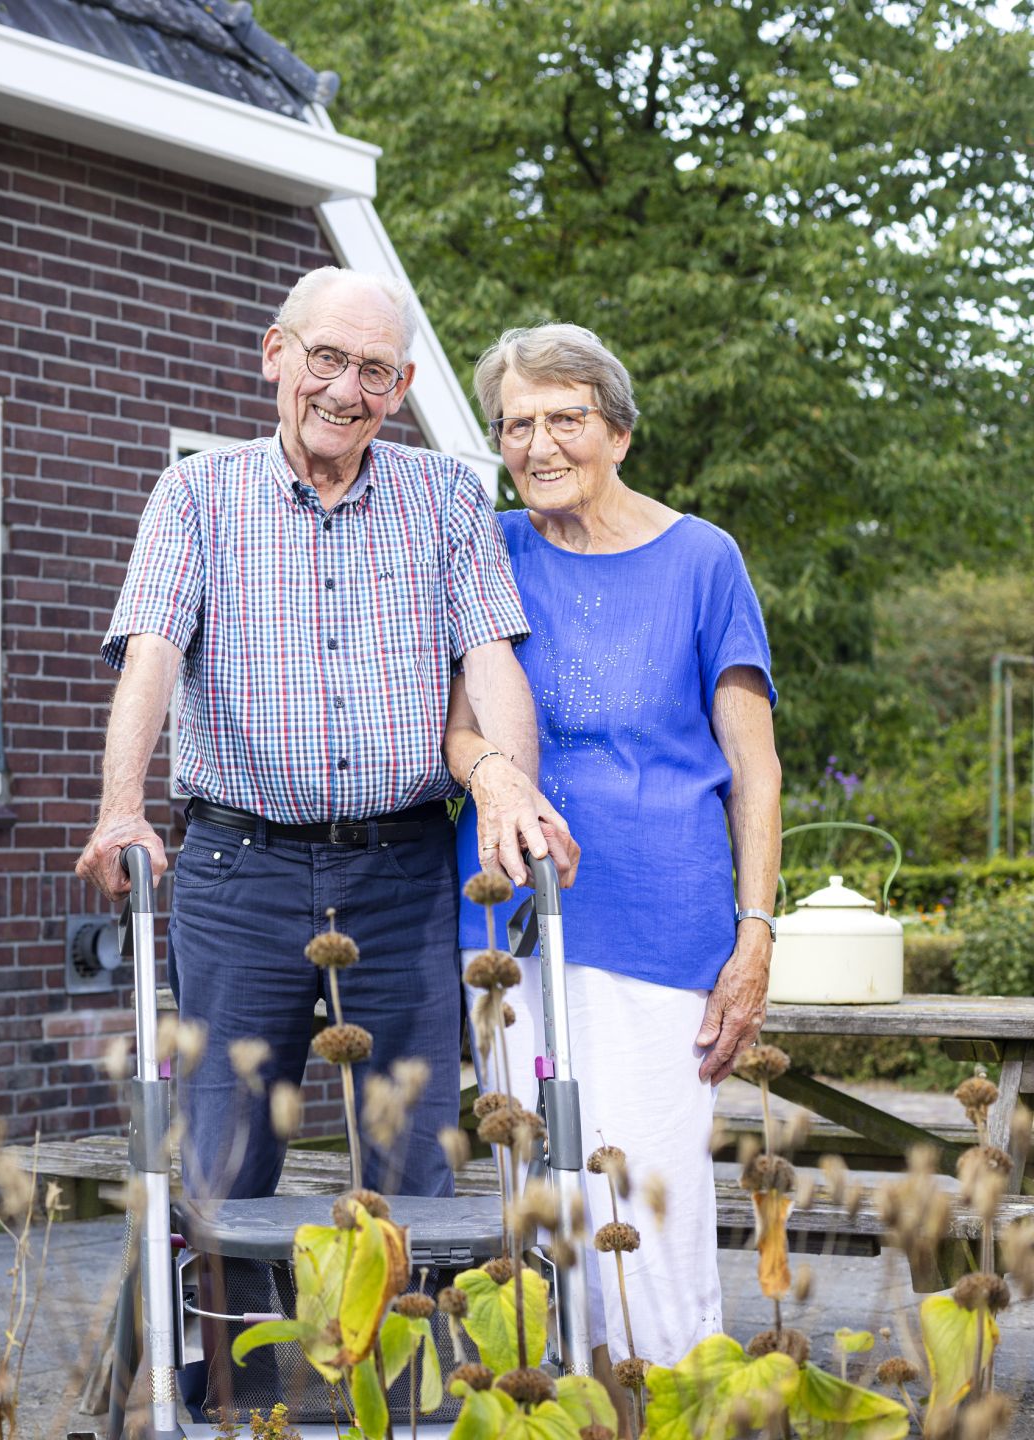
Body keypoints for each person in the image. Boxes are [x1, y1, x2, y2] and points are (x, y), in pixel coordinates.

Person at [76, 266, 575, 1203]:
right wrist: (119, 810)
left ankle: (399, 1355)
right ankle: (224, 1356)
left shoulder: (447, 498)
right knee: (224, 1161)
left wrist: (509, 785)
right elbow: (149, 654)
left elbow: (491, 659)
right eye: (329, 359)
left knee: (413, 1161)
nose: (347, 391)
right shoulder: (196, 495)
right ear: (277, 355)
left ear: (403, 389)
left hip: (403, 875)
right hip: (240, 872)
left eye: (376, 371)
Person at [448, 323, 782, 1373]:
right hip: (510, 928)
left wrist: (757, 931)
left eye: (565, 419)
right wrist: (491, 772)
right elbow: (456, 731)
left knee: (648, 1200)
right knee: (541, 1202)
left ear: (620, 433)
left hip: (662, 921)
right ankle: (568, 1407)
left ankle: (676, 1399)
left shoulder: (703, 558)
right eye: (516, 425)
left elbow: (755, 766)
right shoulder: (490, 547)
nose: (539, 444)